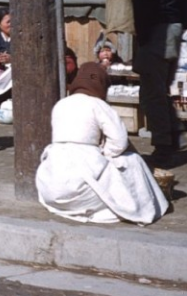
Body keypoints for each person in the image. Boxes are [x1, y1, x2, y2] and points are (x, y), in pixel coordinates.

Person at [35, 62, 169, 224]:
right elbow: (119, 142)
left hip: (51, 191)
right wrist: (106, 153)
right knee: (132, 160)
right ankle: (144, 205)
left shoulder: (60, 104)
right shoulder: (98, 105)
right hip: (82, 191)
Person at [124, 0, 184, 165]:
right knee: (160, 89)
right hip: (170, 30)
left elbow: (145, 9)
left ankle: (164, 147)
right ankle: (172, 134)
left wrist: (144, 38)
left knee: (152, 92)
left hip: (159, 32)